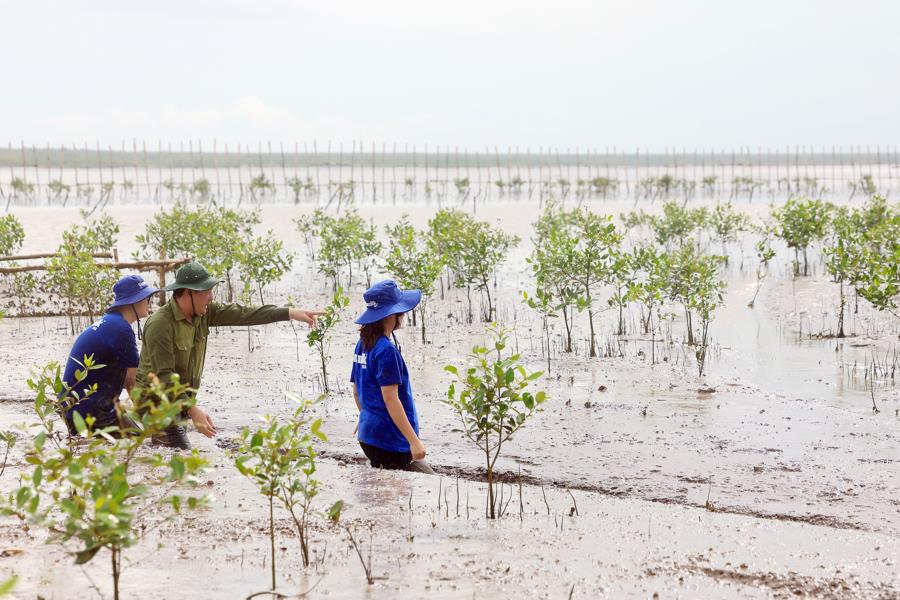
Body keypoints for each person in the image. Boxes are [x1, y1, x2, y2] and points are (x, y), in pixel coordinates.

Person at [135, 261, 322, 450]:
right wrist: (193, 410)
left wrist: (290, 313)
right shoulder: (160, 324)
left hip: (178, 400)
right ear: (188, 292)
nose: (211, 297)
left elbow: (245, 314)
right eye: (206, 291)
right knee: (181, 456)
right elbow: (164, 377)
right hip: (155, 402)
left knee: (170, 456)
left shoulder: (204, 313)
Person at [351, 280, 434, 474]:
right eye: (401, 311)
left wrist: (367, 415)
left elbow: (357, 391)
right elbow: (391, 400)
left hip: (367, 436)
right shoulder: (386, 350)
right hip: (390, 441)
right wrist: (414, 441)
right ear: (391, 315)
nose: (404, 315)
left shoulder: (363, 344)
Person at [61, 274, 158, 435]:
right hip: (87, 409)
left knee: (137, 441)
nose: (149, 302)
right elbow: (132, 383)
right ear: (134, 301)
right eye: (146, 298)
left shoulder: (113, 322)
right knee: (137, 446)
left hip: (80, 405)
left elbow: (127, 378)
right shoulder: (121, 329)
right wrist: (152, 421)